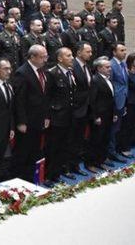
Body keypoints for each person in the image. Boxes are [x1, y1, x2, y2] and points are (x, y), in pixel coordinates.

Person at [11, 45, 50, 181]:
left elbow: (45, 96)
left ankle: (29, 178)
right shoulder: (22, 72)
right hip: (27, 121)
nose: (45, 59)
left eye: (46, 56)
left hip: (39, 119)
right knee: (23, 152)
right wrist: (21, 122)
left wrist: (46, 116)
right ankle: (18, 180)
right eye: (42, 57)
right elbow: (19, 100)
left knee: (34, 151)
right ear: (32, 57)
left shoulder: (42, 70)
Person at [43, 47, 77, 186]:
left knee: (64, 146)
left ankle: (57, 172)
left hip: (68, 116)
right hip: (56, 117)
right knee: (53, 148)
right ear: (60, 58)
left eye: (72, 55)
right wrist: (47, 117)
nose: (72, 58)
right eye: (68, 55)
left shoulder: (70, 72)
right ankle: (48, 176)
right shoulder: (52, 73)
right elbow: (47, 97)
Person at [85, 57, 116, 173]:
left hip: (108, 114)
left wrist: (114, 113)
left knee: (105, 139)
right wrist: (95, 116)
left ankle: (100, 161)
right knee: (95, 140)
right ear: (99, 68)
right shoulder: (95, 80)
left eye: (110, 67)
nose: (110, 69)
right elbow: (92, 100)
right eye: (107, 67)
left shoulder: (108, 79)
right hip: (99, 116)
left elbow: (111, 98)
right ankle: (90, 163)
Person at [70, 41, 93, 177]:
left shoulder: (86, 66)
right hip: (76, 109)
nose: (91, 54)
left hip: (85, 108)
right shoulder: (73, 66)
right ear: (79, 52)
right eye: (88, 51)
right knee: (72, 140)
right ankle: (68, 166)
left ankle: (76, 165)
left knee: (79, 139)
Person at [118, 53, 135, 159]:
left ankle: (127, 145)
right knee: (126, 126)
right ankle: (123, 148)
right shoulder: (127, 73)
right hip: (129, 103)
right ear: (132, 62)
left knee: (133, 126)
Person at [108, 43, 129, 163]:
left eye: (125, 50)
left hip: (123, 99)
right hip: (115, 100)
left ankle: (115, 150)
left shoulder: (124, 64)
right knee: (113, 129)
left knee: (118, 128)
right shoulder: (111, 65)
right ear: (114, 52)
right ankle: (111, 152)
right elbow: (110, 84)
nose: (124, 52)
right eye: (121, 50)